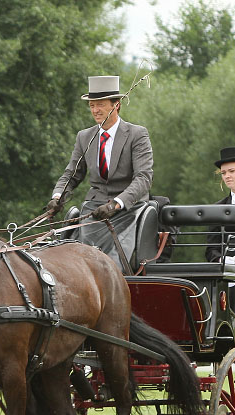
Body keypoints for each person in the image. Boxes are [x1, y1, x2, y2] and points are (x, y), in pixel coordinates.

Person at [44, 75, 154, 271]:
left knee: (112, 263)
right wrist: (57, 196)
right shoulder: (84, 137)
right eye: (92, 105)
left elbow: (143, 178)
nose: (95, 110)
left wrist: (116, 203)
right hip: (94, 210)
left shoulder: (137, 135)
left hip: (128, 209)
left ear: (117, 105)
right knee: (79, 262)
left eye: (100, 105)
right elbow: (72, 174)